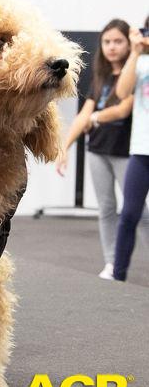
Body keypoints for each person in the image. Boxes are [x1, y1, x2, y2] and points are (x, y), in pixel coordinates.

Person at [55, 20, 149, 279]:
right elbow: (84, 114)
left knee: (138, 212)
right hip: (98, 150)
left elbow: (122, 108)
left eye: (118, 41)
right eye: (107, 42)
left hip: (126, 152)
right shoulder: (101, 77)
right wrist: (64, 146)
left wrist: (96, 118)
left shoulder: (137, 69)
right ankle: (111, 262)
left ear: (129, 42)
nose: (112, 47)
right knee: (107, 208)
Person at [112, 22, 149, 282]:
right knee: (129, 214)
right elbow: (122, 92)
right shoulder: (142, 63)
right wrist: (135, 52)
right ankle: (118, 275)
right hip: (142, 149)